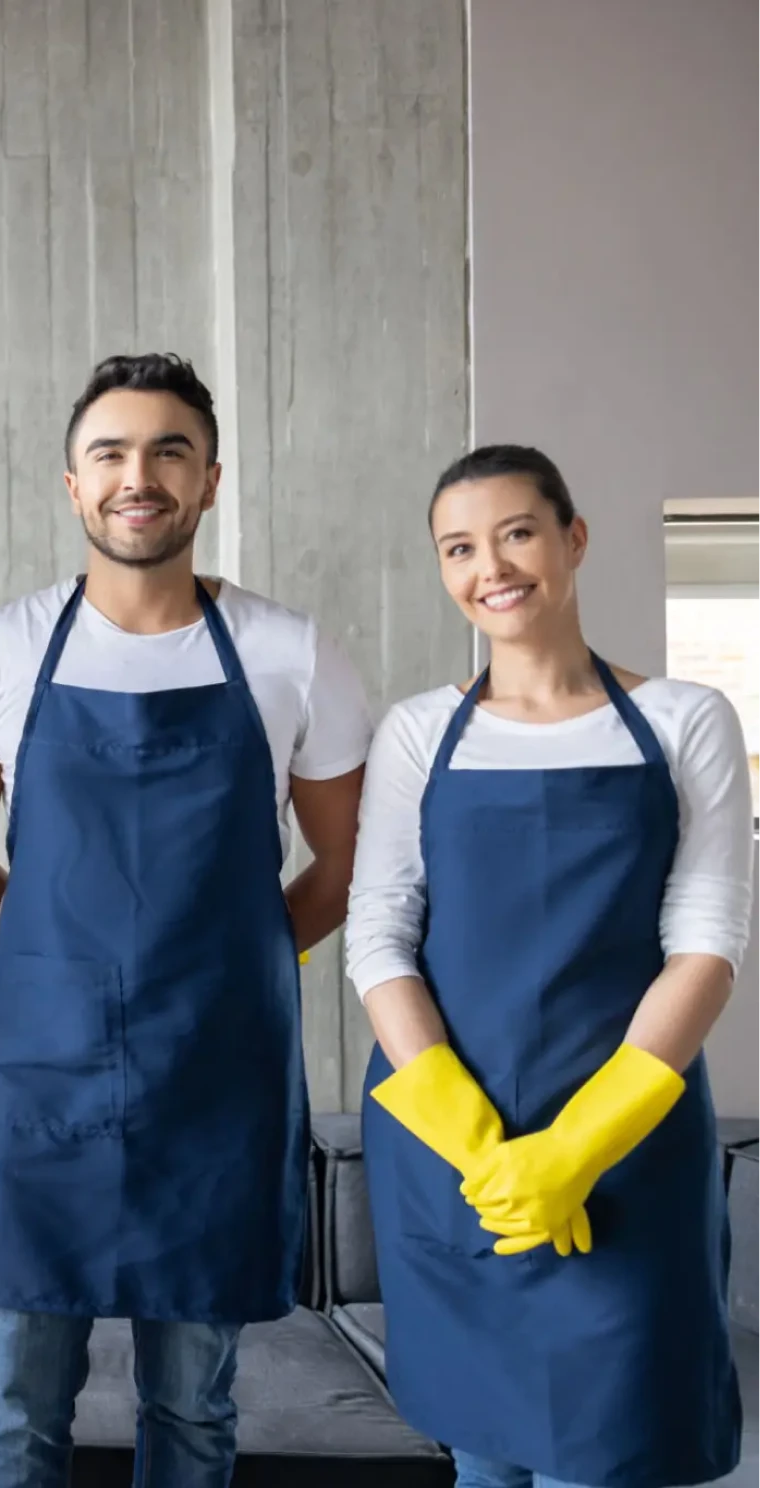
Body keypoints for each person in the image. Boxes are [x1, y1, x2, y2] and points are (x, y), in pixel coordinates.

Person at [0, 354, 372, 1487]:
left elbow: (351, 856)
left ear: (211, 480)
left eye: (170, 451)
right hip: (43, 1075)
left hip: (215, 1073)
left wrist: (247, 955)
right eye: (112, 454)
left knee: (193, 1409)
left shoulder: (292, 653)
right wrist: (45, 945)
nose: (141, 476)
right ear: (72, 485)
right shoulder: (1, 650)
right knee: (18, 1408)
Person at [351, 445, 751, 1488]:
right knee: (483, 1459)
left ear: (573, 539)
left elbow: (706, 946)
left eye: (517, 532)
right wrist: (483, 1148)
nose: (493, 565)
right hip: (450, 1149)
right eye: (459, 547)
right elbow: (379, 934)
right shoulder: (418, 734)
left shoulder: (684, 721)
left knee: (611, 1452)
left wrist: (577, 1145)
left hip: (628, 1146)